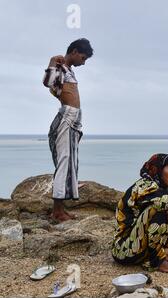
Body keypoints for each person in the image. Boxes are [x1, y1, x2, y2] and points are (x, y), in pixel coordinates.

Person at [43, 38, 94, 222]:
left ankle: (61, 210)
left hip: (73, 120)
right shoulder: (59, 65)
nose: (83, 62)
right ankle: (57, 212)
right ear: (74, 51)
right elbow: (48, 83)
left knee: (70, 163)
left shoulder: (68, 70)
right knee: (64, 162)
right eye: (83, 57)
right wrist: (51, 63)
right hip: (66, 118)